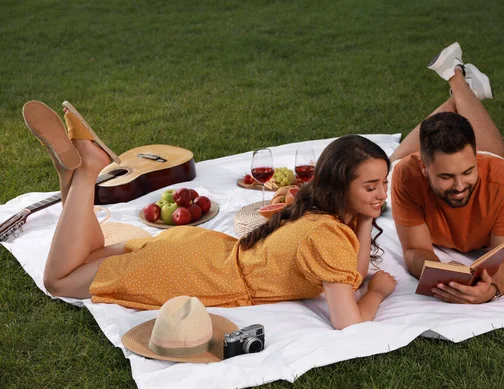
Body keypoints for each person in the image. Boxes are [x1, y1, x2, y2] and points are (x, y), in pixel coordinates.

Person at [22, 101, 397, 330]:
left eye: (383, 183)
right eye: (371, 187)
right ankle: (87, 170)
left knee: (86, 255)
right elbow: (348, 320)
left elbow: (351, 271)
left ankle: (70, 172)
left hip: (197, 253)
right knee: (58, 280)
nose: (381, 194)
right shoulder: (327, 235)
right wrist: (377, 294)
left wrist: (365, 219)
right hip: (189, 273)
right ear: (340, 185)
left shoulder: (318, 210)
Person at [389, 42, 504, 304]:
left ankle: (457, 79)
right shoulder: (408, 176)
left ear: (475, 158)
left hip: (491, 161)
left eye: (468, 171)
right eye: (445, 177)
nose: (459, 185)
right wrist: (442, 274)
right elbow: (415, 250)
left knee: (496, 159)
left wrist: (492, 290)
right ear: (423, 166)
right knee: (393, 163)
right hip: (413, 166)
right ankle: (464, 87)